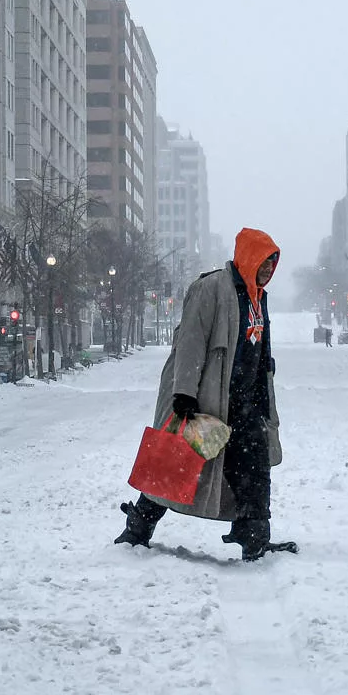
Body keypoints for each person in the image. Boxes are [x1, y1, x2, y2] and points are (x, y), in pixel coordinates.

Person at [115, 228, 295, 560]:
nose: (269, 270)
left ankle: (255, 539)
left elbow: (258, 346)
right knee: (178, 462)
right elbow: (191, 341)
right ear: (249, 257)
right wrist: (184, 392)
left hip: (247, 403)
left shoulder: (258, 297)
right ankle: (138, 527)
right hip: (210, 397)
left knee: (255, 469)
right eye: (265, 262)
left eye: (273, 263)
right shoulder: (211, 288)